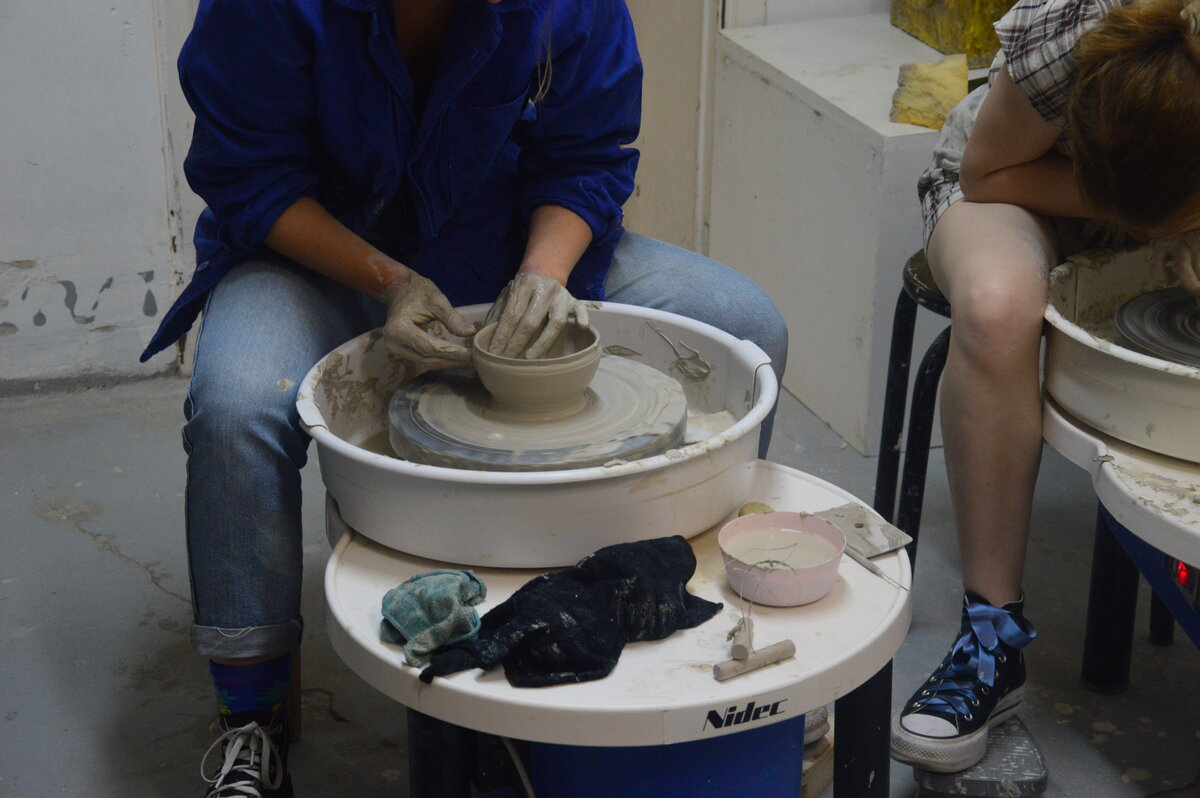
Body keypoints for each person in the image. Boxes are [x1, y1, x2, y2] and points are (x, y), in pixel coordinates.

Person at [138, 0, 787, 795]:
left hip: (501, 243)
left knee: (746, 324)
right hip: (319, 259)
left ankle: (660, 599)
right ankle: (252, 717)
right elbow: (251, 178)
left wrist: (543, 276)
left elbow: (587, 153)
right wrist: (389, 281)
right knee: (237, 408)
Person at [890, 0, 1200, 774]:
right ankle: (990, 638)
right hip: (1017, 184)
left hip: (1172, 194)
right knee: (997, 309)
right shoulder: (1076, 26)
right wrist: (1147, 214)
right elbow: (987, 171)